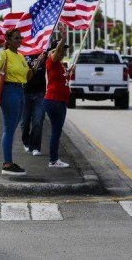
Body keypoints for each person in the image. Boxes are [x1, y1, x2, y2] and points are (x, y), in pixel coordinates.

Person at [0, 28, 42, 176]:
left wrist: (36, 65)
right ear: (8, 40)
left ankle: (9, 162)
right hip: (9, 91)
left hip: (20, 91)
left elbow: (27, 76)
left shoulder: (20, 56)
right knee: (9, 128)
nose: (20, 40)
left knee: (13, 128)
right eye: (16, 38)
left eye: (20, 38)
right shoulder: (3, 54)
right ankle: (7, 163)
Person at [43, 26, 75, 168]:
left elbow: (64, 80)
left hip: (61, 101)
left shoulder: (61, 65)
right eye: (61, 49)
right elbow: (55, 55)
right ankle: (53, 160)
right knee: (56, 131)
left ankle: (54, 159)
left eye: (65, 49)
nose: (63, 52)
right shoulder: (52, 61)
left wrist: (70, 72)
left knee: (57, 130)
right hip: (54, 100)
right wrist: (63, 38)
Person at [21, 51, 47, 156]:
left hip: (40, 93)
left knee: (38, 122)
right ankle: (26, 142)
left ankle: (35, 146)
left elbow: (54, 56)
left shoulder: (44, 52)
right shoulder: (22, 53)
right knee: (25, 122)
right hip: (25, 92)